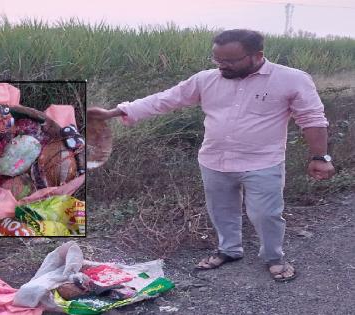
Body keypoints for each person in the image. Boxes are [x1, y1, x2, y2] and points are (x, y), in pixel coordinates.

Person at [87, 29, 335, 282]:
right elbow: (166, 99)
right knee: (221, 210)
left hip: (263, 162)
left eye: (229, 61)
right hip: (214, 160)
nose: (222, 66)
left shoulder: (291, 79)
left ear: (257, 55)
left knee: (265, 214)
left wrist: (320, 158)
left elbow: (312, 118)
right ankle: (229, 250)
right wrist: (113, 112)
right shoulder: (206, 79)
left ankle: (274, 257)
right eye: (217, 60)